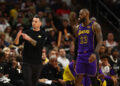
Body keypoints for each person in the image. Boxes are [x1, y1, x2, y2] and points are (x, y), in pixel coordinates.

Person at [71, 9, 103, 86]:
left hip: (91, 55)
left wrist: (95, 54)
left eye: (81, 14)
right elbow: (76, 44)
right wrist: (75, 59)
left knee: (93, 79)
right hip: (80, 56)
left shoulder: (95, 26)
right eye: (79, 15)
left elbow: (100, 41)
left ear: (87, 15)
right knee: (78, 79)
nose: (79, 16)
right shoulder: (77, 28)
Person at [14, 15, 47, 86]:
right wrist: (17, 36)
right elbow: (16, 43)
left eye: (36, 21)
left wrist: (29, 39)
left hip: (38, 62)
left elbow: (39, 45)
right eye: (33, 21)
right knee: (28, 83)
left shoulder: (43, 34)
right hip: (27, 62)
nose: (33, 23)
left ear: (40, 23)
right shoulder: (27, 32)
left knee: (34, 83)